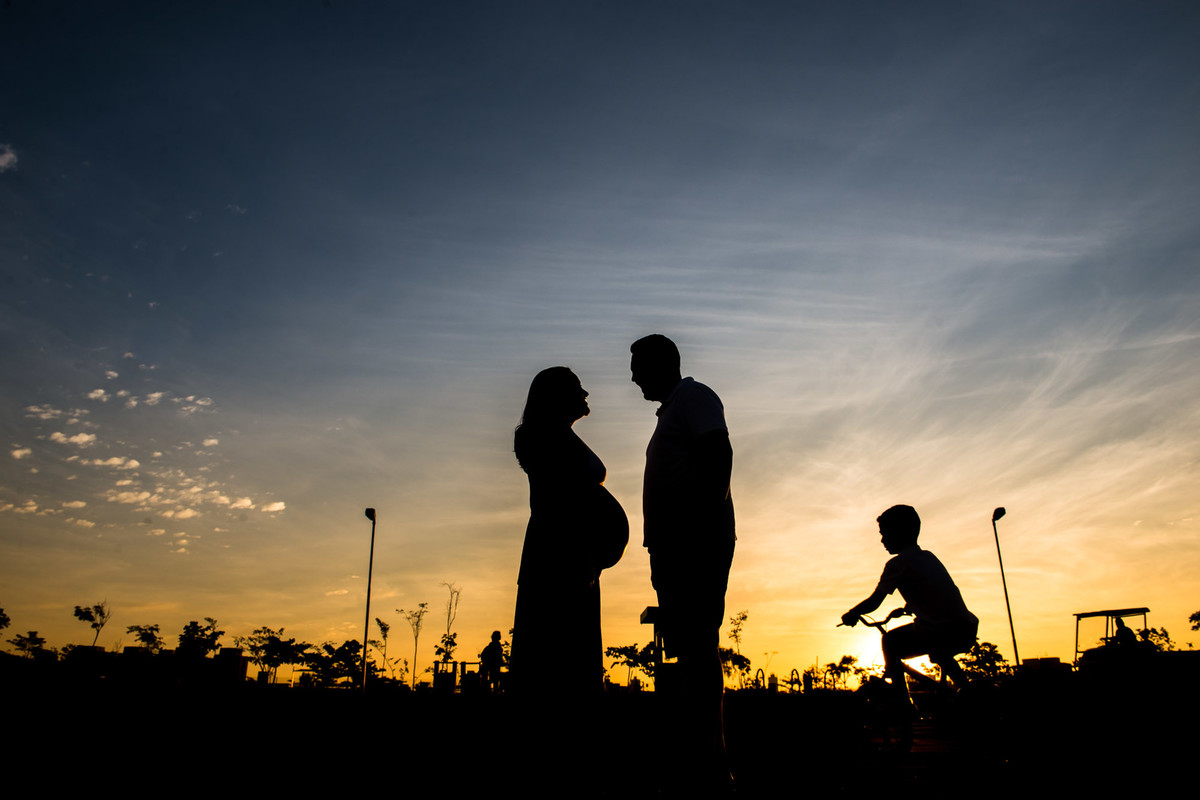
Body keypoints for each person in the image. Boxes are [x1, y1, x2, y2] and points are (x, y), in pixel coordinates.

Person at [630, 334, 735, 792]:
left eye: (637, 365)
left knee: (697, 647)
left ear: (660, 364)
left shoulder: (693, 396)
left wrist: (700, 529)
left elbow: (719, 456)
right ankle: (702, 754)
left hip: (694, 545)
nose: (632, 376)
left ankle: (711, 763)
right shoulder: (673, 409)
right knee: (691, 651)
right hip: (677, 548)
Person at [510, 366, 627, 696]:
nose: (585, 393)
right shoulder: (537, 436)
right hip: (558, 559)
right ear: (556, 397)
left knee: (578, 657)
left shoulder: (561, 436)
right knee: (556, 659)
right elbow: (563, 500)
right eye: (577, 388)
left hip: (579, 560)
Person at [841, 504, 978, 693]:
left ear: (899, 532)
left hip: (939, 629)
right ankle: (968, 691)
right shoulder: (928, 557)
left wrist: (852, 613)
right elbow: (933, 591)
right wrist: (909, 607)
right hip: (963, 627)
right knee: (940, 653)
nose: (882, 540)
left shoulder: (897, 564)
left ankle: (902, 702)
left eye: (884, 533)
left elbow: (874, 601)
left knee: (890, 641)